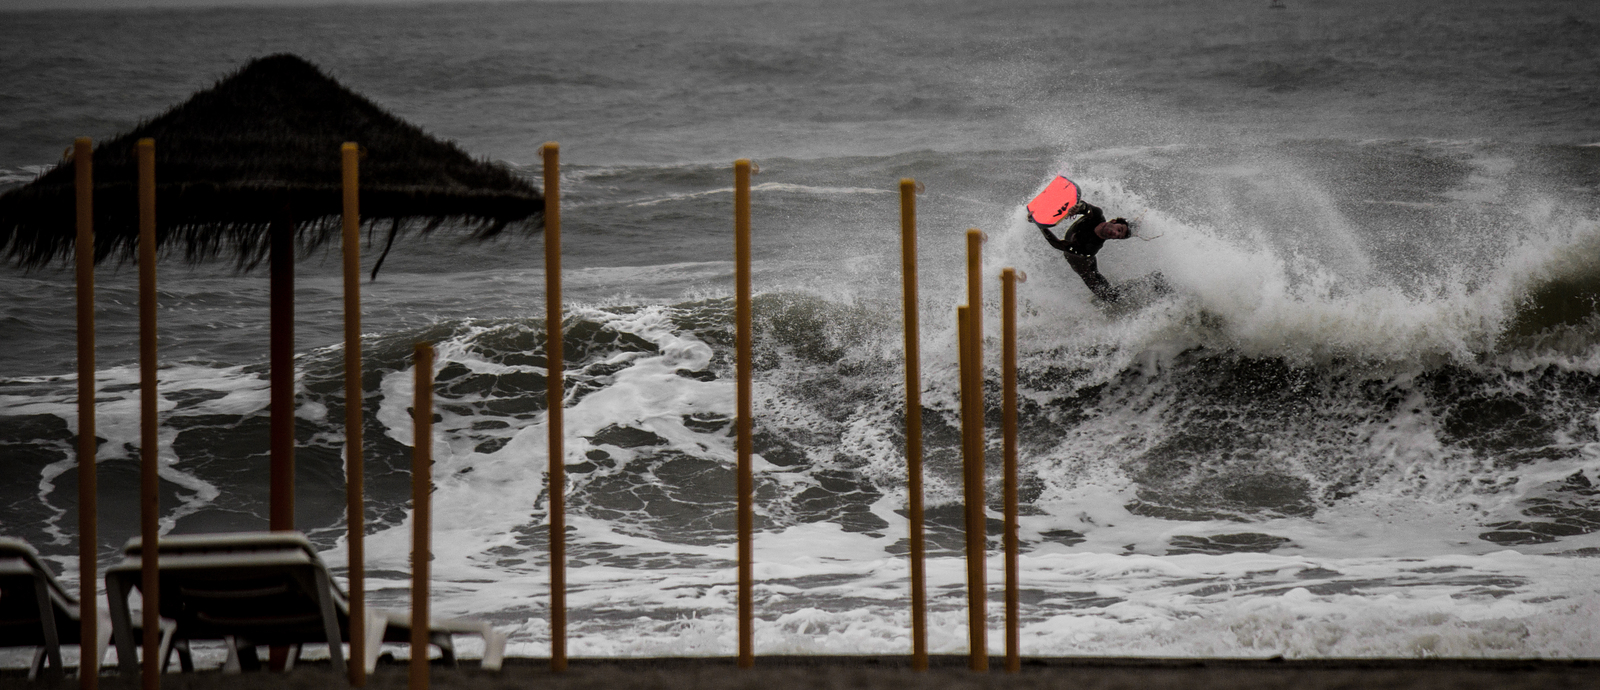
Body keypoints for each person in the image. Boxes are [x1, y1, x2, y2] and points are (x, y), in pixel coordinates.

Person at [1031, 199, 1133, 302]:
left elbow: (1057, 244)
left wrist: (1040, 226)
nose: (1115, 234)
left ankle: (1136, 288)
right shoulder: (1097, 215)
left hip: (1085, 266)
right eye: (1119, 229)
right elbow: (1084, 207)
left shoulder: (1091, 247)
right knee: (1110, 294)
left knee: (1110, 297)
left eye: (1118, 237)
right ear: (1114, 221)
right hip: (1083, 256)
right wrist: (1075, 209)